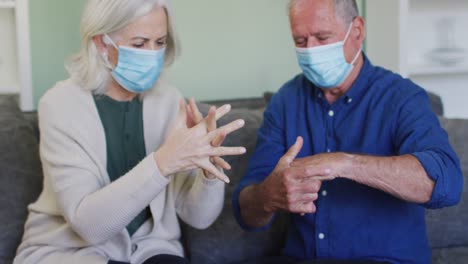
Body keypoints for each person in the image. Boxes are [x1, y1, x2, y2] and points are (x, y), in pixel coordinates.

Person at [14, 0, 246, 264]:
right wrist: (163, 163)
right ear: (102, 44)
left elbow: (199, 219)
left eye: (160, 42)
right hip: (70, 252)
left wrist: (208, 172)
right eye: (139, 43)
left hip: (150, 248)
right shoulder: (59, 105)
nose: (153, 53)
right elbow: (89, 227)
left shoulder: (170, 101)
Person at [233, 0, 463, 263]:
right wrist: (267, 195)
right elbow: (246, 214)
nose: (310, 51)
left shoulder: (402, 97)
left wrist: (345, 164)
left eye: (322, 37)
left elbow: (446, 182)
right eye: (300, 40)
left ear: (357, 31)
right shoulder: (285, 102)